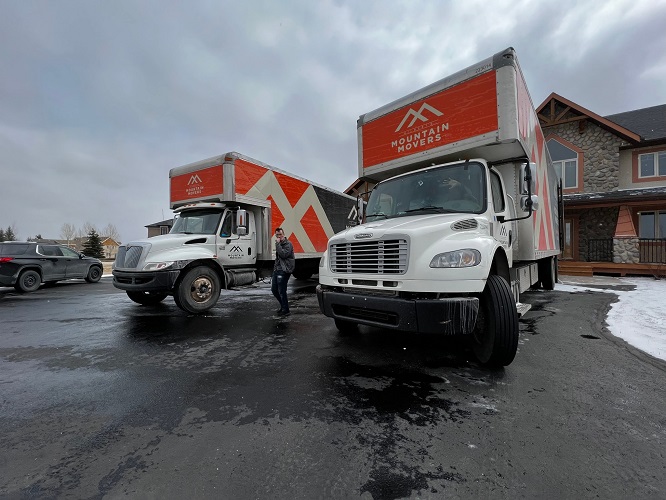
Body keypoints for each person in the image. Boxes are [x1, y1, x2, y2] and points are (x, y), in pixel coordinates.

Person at [271, 227, 295, 316]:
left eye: (280, 234)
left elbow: (283, 254)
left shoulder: (288, 244)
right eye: (277, 235)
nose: (279, 236)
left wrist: (277, 245)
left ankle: (286, 309)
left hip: (284, 270)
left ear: (283, 235)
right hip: (277, 270)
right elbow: (278, 259)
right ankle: (283, 306)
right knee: (274, 289)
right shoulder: (279, 244)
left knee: (282, 290)